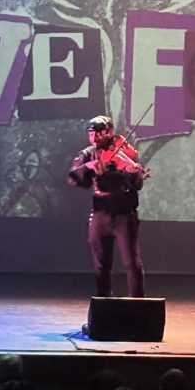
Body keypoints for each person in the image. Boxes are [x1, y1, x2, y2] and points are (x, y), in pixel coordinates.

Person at [68, 114, 147, 298]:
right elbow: (72, 178)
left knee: (131, 263)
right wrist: (89, 166)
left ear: (109, 133)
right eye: (91, 134)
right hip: (100, 214)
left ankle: (138, 306)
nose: (94, 138)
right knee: (101, 265)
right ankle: (104, 304)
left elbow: (138, 184)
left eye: (99, 134)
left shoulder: (125, 152)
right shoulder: (87, 154)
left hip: (124, 215)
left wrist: (132, 170)